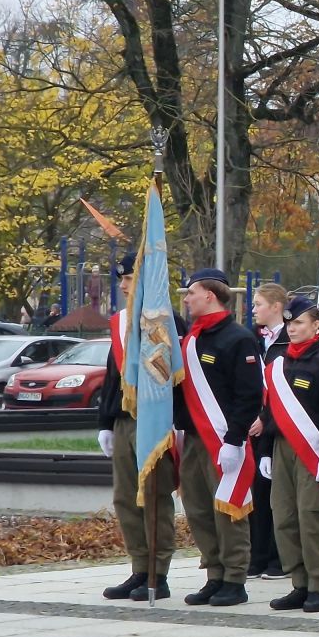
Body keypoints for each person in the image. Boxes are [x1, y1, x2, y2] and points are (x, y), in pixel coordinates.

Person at [257, 295, 319, 613]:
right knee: (284, 517)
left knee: (310, 518)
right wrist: (266, 451)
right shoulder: (278, 364)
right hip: (283, 449)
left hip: (314, 453)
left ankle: (316, 586)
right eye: (289, 322)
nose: (292, 328)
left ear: (317, 327)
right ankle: (298, 583)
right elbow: (269, 413)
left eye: (298, 322)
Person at [175, 269, 262, 608]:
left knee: (229, 509)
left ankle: (235, 578)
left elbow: (250, 394)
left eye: (191, 293)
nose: (186, 299)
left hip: (225, 441)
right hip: (196, 438)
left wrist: (235, 439)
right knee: (198, 509)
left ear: (209, 295)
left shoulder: (237, 338)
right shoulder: (193, 339)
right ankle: (214, 573)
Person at [98, 252, 180, 602]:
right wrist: (104, 422)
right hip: (124, 420)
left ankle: (157, 573)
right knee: (126, 498)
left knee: (155, 497)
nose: (123, 285)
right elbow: (111, 377)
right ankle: (138, 568)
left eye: (128, 279)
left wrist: (179, 424)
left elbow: (177, 377)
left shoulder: (167, 321)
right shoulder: (121, 323)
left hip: (154, 420)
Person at [247, 283, 290, 580]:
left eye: (259, 304)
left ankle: (280, 556)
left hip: (281, 426)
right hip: (253, 426)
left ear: (276, 306)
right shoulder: (251, 338)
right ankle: (257, 555)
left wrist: (267, 418)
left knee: (280, 496)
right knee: (257, 493)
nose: (254, 309)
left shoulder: (290, 338)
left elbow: (287, 388)